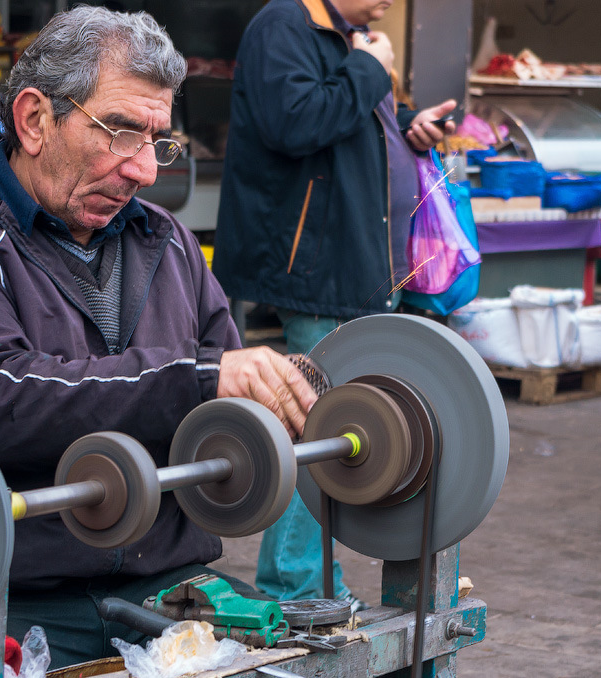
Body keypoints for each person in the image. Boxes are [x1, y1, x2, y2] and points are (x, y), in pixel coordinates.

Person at [0, 6, 317, 669]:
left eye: (157, 141)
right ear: (35, 119)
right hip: (10, 595)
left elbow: (226, 402)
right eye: (122, 132)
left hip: (169, 587)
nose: (143, 171)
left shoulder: (168, 243)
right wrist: (195, 381)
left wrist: (284, 403)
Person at [213, 0, 457, 607]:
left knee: (328, 418)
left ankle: (305, 577)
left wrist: (405, 123)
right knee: (316, 422)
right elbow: (295, 123)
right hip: (318, 266)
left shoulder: (345, 36)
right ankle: (298, 583)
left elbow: (345, 119)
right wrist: (372, 70)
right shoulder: (282, 27)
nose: (389, 3)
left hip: (354, 263)